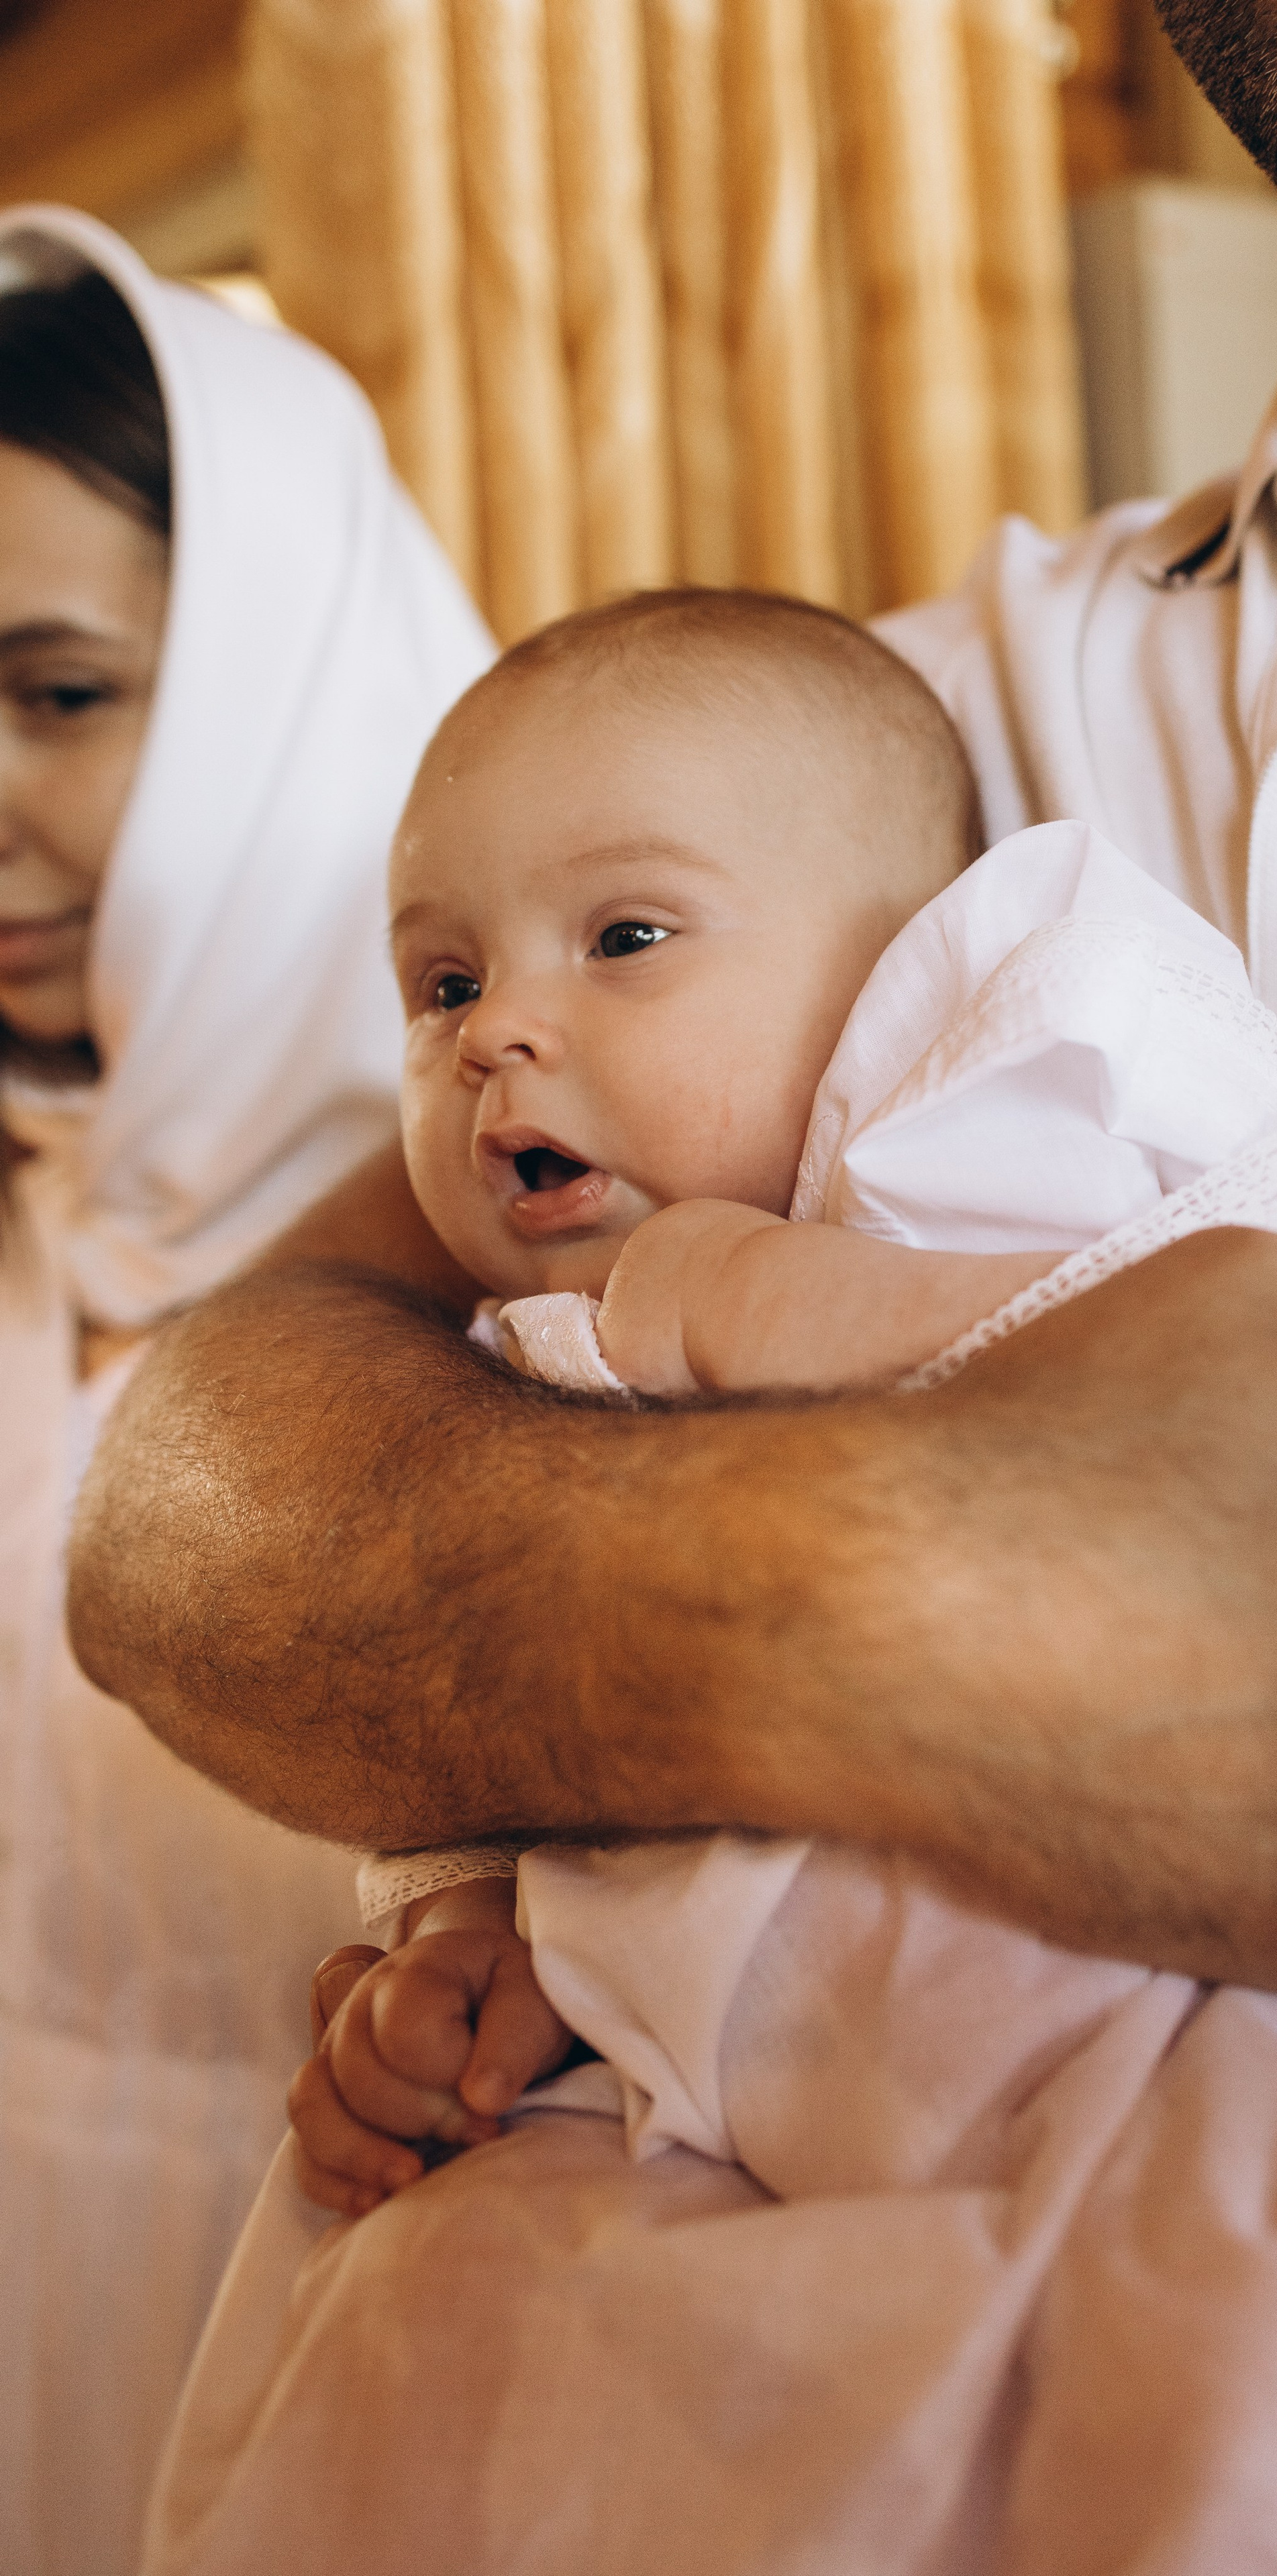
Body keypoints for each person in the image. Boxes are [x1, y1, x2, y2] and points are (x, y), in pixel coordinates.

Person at [154, 592, 1277, 2575]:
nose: (494, 1036)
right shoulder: (518, 1321)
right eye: (437, 983)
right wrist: (463, 1926)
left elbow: (1207, 1367)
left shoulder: (1005, 1072)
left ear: (910, 974)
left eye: (624, 941)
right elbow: (226, 1518)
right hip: (718, 2124)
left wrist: (765, 1309)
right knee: (430, 2344)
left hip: (1177, 2058)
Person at [0, 203, 491, 2576]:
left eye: (61, 694)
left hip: (382, 2404)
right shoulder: (38, 1198)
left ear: (283, 678)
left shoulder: (533, 1277)